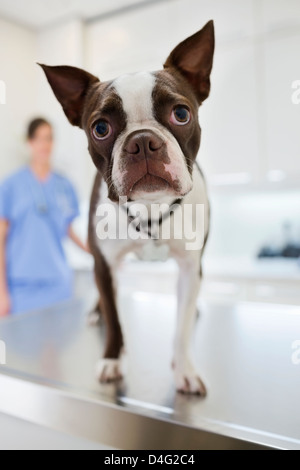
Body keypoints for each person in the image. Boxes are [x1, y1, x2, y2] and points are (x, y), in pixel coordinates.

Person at [0, 118, 88, 316]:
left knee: (56, 345)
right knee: (23, 345)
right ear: (29, 143)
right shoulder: (10, 186)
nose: (44, 145)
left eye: (48, 138)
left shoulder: (64, 185)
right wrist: (2, 292)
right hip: (21, 286)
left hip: (58, 282)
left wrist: (96, 253)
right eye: (39, 139)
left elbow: (68, 231)